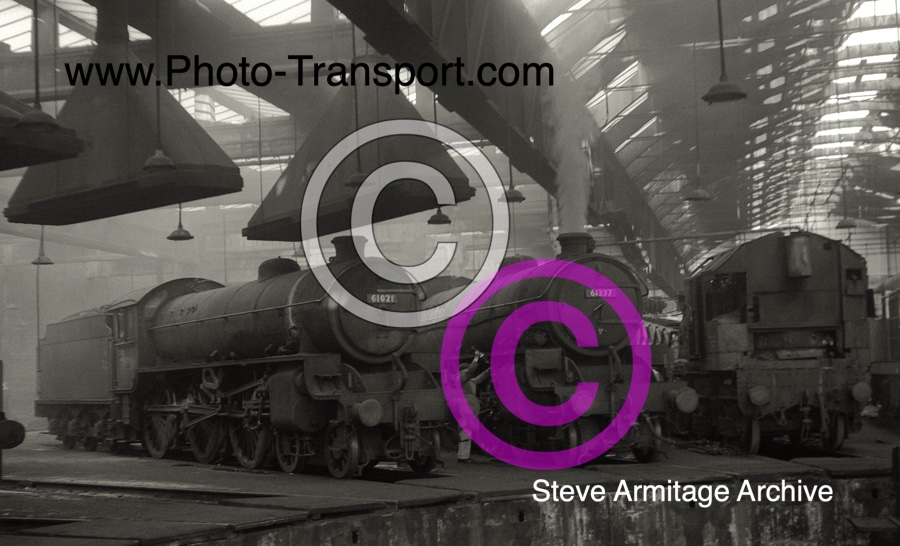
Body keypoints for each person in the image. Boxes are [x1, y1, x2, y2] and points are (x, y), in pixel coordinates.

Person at [457, 351, 491, 462]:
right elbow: (470, 371)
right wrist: (476, 358)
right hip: (465, 405)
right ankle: (462, 457)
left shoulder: (469, 381)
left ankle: (464, 455)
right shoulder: (461, 377)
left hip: (469, 406)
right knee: (465, 431)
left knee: (467, 431)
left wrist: (489, 370)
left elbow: (478, 378)